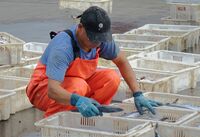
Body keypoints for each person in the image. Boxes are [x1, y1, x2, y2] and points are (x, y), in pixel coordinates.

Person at [26, 6, 162, 118]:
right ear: (80, 27)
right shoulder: (63, 46)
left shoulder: (100, 41)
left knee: (111, 78)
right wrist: (77, 100)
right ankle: (56, 123)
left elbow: (122, 61)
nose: (96, 43)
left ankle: (94, 115)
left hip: (75, 83)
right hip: (42, 89)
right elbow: (53, 90)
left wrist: (137, 93)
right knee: (78, 87)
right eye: (92, 38)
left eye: (100, 39)